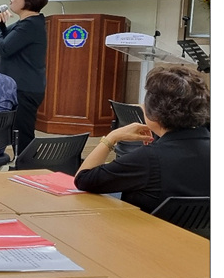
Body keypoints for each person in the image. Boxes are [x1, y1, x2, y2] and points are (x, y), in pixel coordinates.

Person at [74, 66, 210, 213]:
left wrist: (112, 137)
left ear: (154, 114)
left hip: (146, 227)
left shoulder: (149, 159)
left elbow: (83, 179)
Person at [0, 0, 48, 155]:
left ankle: (28, 167)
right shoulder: (26, 23)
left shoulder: (31, 25)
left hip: (24, 88)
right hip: (18, 86)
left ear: (29, 0)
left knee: (23, 134)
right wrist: (0, 25)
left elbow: (4, 48)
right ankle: (21, 163)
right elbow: (6, 40)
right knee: (14, 131)